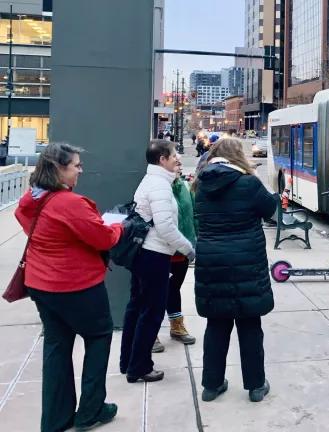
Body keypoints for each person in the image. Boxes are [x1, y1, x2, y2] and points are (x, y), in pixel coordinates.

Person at [16, 143, 122, 431]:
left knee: (57, 348)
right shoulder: (69, 203)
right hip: (76, 286)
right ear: (59, 169)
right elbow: (104, 239)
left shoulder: (33, 198)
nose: (80, 170)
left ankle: (54, 419)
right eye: (76, 165)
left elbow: (32, 224)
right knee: (99, 337)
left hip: (41, 284)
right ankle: (91, 410)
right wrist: (119, 227)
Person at [193, 137, 277, 403]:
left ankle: (211, 385)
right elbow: (270, 210)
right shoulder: (249, 183)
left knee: (216, 324)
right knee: (250, 324)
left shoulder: (200, 185)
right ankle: (255, 386)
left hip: (212, 262)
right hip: (246, 263)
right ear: (237, 157)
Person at [120, 139, 195, 384]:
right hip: (155, 256)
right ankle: (140, 367)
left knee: (137, 308)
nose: (178, 158)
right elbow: (165, 227)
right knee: (151, 313)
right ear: (162, 159)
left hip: (143, 254)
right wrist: (187, 248)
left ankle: (128, 360)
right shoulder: (160, 186)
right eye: (174, 155)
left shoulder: (151, 181)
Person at [152, 161, 197, 353]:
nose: (179, 164)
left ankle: (176, 326)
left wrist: (195, 240)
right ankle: (150, 333)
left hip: (183, 252)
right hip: (161, 252)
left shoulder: (186, 187)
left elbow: (194, 215)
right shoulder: (157, 188)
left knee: (174, 289)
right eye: (175, 160)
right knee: (154, 293)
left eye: (180, 162)